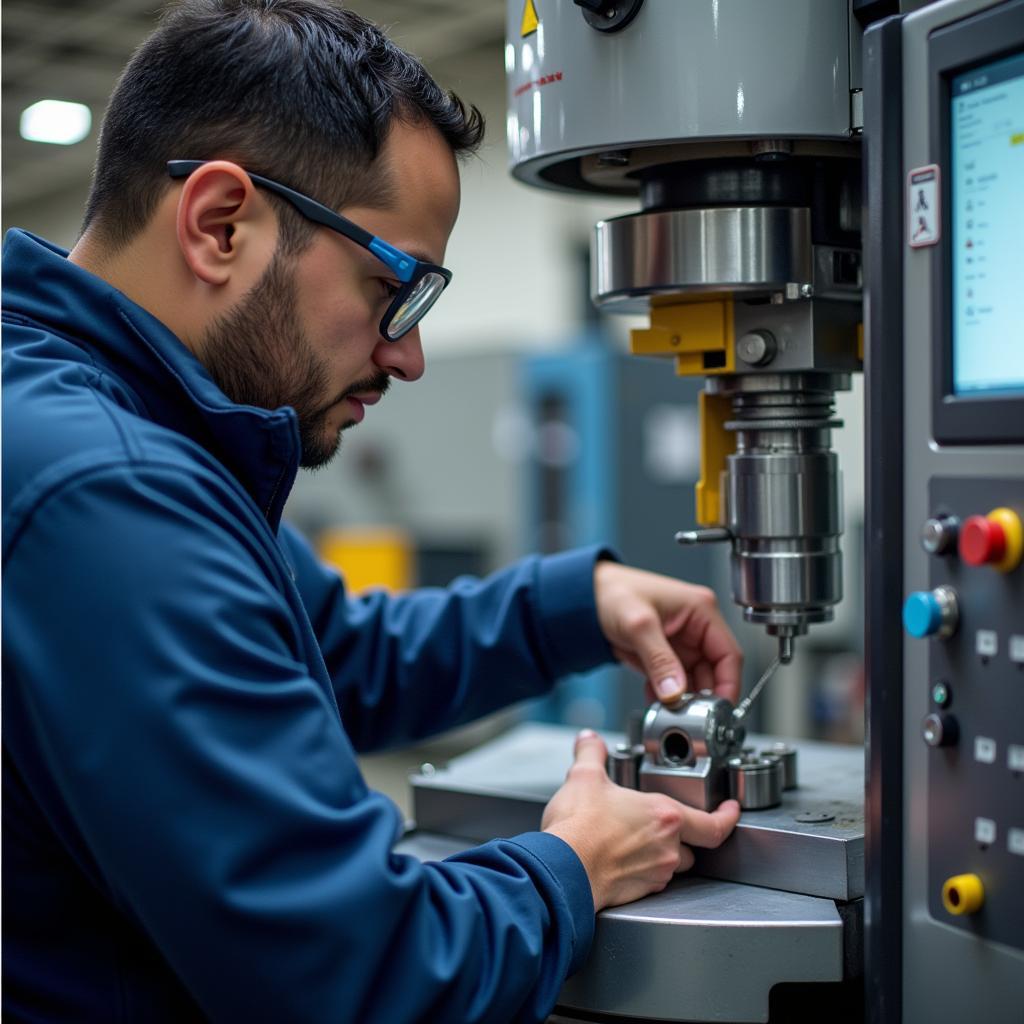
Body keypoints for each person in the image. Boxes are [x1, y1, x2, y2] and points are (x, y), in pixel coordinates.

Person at [1, 1, 743, 1020]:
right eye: (394, 286)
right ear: (221, 223)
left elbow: (339, 653)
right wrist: (570, 863)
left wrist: (576, 601)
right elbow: (355, 979)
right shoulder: (110, 493)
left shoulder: (111, 426)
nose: (408, 354)